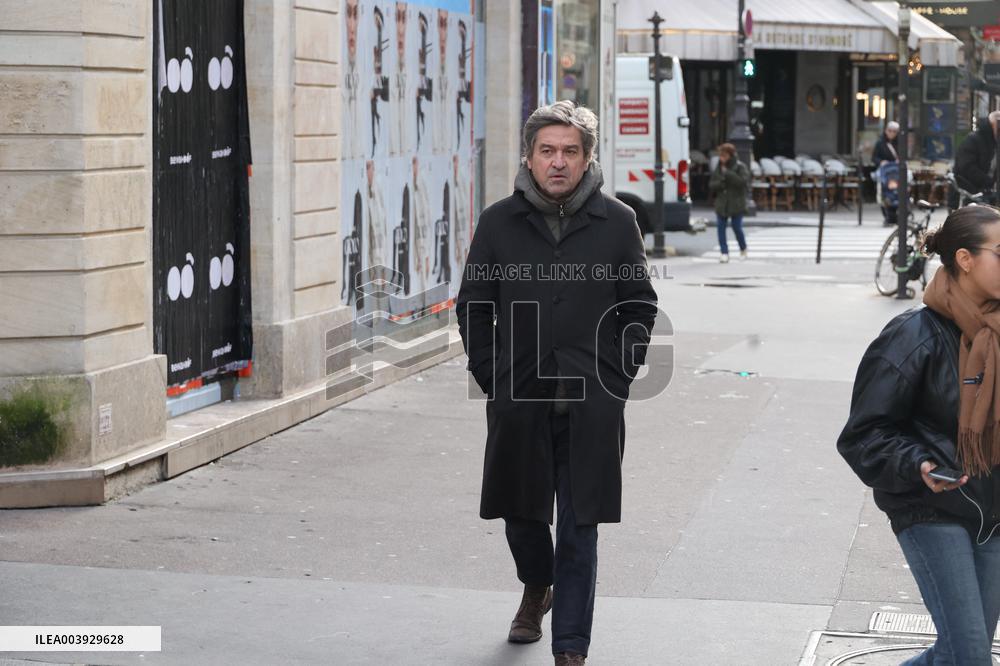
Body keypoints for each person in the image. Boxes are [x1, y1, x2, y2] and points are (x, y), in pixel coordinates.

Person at [456, 101, 658, 665]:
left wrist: (618, 371)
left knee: (580, 527)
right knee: (521, 517)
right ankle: (536, 586)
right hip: (518, 398)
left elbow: (639, 305)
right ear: (529, 156)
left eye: (570, 151)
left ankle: (571, 645)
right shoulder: (499, 221)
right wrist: (492, 375)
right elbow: (474, 306)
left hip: (591, 404)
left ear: (588, 158)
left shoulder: (617, 221)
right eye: (547, 150)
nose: (558, 162)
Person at [838, 204, 1000, 666]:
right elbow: (863, 433)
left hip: (995, 513)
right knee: (970, 656)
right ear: (965, 260)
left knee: (955, 655)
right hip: (933, 508)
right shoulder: (914, 336)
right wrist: (919, 464)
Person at [708, 143, 749, 263]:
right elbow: (712, 184)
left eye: (724, 156)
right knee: (721, 229)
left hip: (736, 203)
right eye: (720, 156)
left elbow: (743, 182)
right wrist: (721, 183)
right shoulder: (719, 167)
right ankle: (724, 252)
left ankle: (743, 248)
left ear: (730, 155)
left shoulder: (740, 167)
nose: (722, 158)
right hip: (722, 203)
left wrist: (728, 174)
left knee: (737, 228)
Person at [954, 110, 1000, 200]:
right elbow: (967, 168)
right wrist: (990, 182)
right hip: (968, 194)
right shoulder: (973, 140)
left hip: (986, 193)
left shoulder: (994, 142)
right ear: (993, 124)